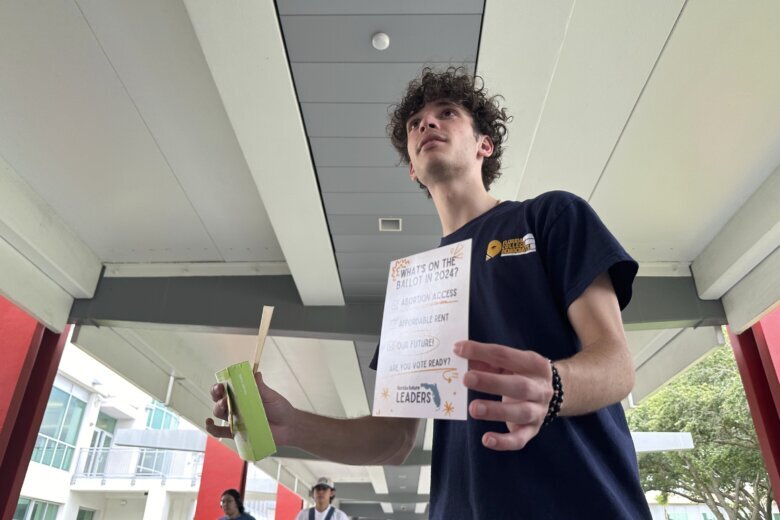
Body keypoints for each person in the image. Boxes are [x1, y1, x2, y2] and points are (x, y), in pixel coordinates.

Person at [207, 67, 652, 519]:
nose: (427, 124)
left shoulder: (550, 217)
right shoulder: (414, 286)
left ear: (484, 145)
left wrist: (555, 386)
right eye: (415, 124)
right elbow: (394, 438)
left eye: (447, 113)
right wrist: (291, 424)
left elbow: (617, 365)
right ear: (413, 171)